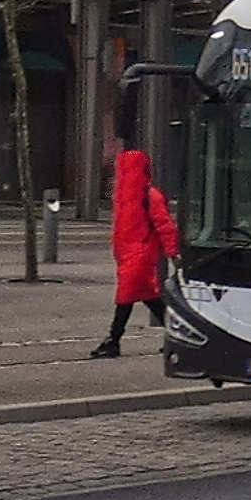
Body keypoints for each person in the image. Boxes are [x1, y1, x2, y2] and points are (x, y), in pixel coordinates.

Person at [91, 149, 179, 358]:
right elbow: (164, 225)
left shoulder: (131, 198)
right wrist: (171, 251)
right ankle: (178, 333)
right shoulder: (143, 196)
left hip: (136, 253)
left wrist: (172, 250)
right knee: (149, 297)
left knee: (127, 295)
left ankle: (113, 339)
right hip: (138, 251)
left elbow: (163, 225)